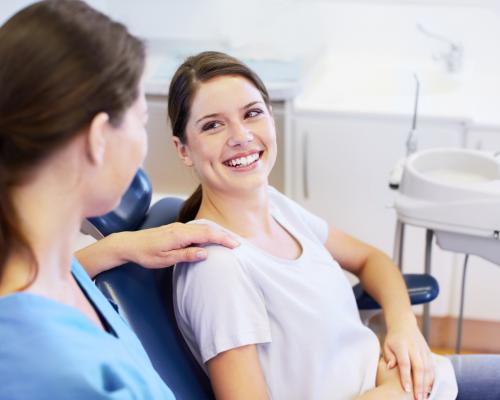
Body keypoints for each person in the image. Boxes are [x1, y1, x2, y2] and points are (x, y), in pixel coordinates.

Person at [169, 51, 459, 400]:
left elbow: (370, 259)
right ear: (183, 149)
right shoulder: (217, 267)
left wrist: (403, 327)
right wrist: (394, 393)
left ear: (271, 120)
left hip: (414, 376)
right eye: (213, 125)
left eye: (252, 113)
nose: (241, 135)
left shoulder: (277, 206)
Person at [0, 2, 237, 399]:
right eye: (141, 121)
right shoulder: (55, 373)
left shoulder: (41, 262)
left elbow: (56, 283)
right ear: (97, 139)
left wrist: (118, 247)